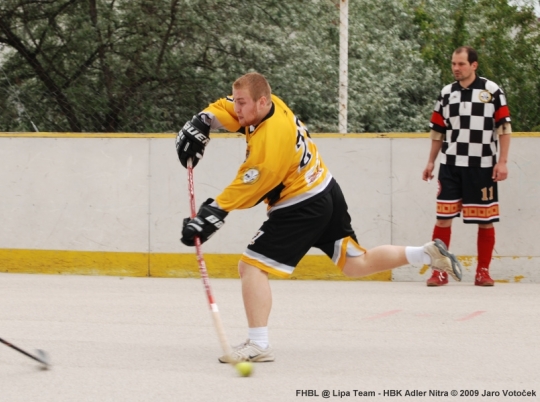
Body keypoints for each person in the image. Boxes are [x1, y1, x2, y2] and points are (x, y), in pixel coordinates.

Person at [175, 72, 462, 363]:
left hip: (301, 204)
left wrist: (213, 212)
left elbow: (251, 185)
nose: (236, 108)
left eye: (242, 103)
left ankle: (259, 344)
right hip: (325, 190)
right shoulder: (269, 104)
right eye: (236, 101)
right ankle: (426, 253)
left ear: (261, 102)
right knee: (355, 264)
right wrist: (204, 120)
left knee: (250, 267)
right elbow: (225, 107)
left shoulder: (272, 139)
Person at [423, 46, 512, 287]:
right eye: (453, 63)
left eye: (461, 64)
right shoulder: (446, 93)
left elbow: (504, 128)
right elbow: (438, 131)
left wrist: (502, 162)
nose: (456, 68)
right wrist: (431, 161)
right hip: (451, 166)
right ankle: (440, 272)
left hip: (482, 166)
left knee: (485, 220)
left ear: (474, 65)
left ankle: (483, 272)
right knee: (443, 219)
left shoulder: (491, 90)